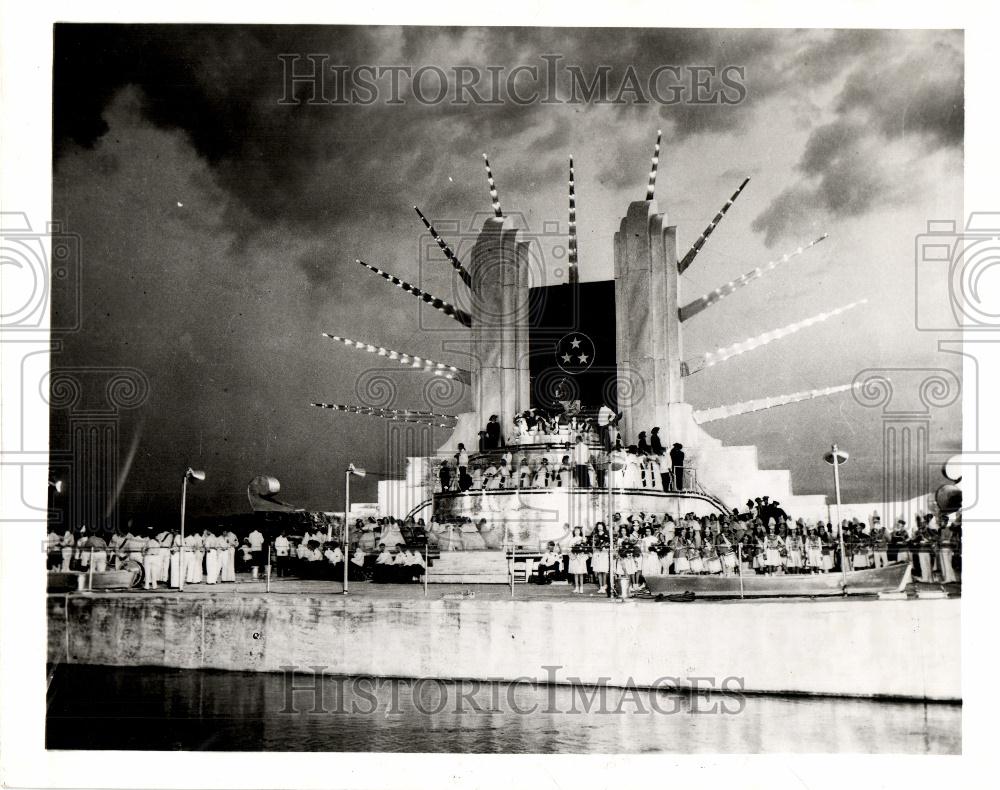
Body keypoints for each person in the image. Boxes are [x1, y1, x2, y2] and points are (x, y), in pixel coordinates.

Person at [567, 526, 589, 593]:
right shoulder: (572, 540)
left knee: (581, 573)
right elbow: (569, 548)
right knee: (575, 573)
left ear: (580, 532)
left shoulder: (582, 539)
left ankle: (581, 588)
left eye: (578, 531)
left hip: (581, 557)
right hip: (575, 557)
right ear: (574, 532)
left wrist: (582, 554)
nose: (577, 532)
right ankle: (576, 587)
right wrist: (573, 554)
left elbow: (585, 548)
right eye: (575, 531)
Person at [938, 518, 957, 583]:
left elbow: (942, 539)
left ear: (945, 522)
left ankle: (947, 579)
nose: (941, 523)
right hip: (950, 547)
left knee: (946, 563)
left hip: (944, 547)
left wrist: (938, 540)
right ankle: (952, 578)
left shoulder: (943, 529)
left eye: (942, 521)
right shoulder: (950, 529)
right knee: (949, 563)